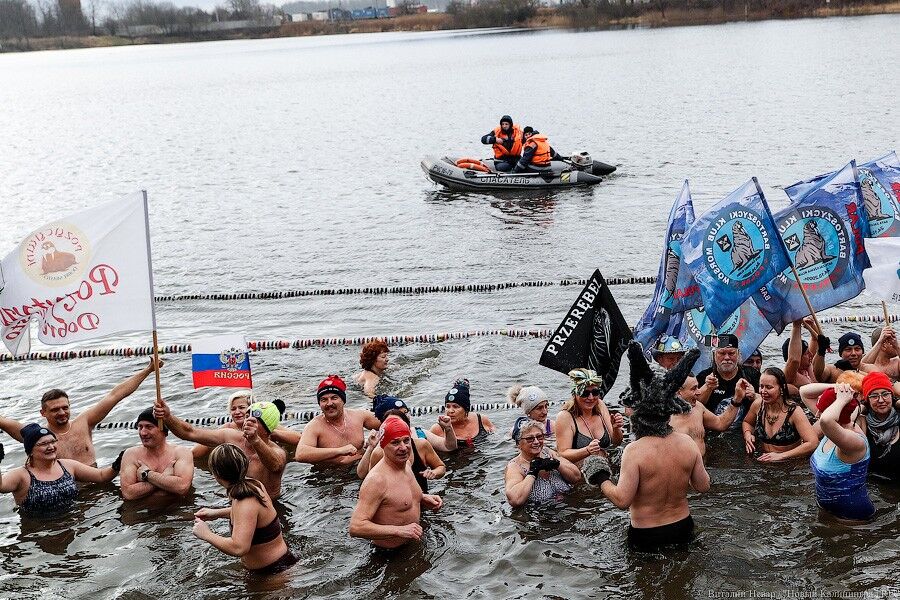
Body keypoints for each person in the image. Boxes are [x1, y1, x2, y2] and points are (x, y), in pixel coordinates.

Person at [593, 344, 710, 551]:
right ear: (669, 407)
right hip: (683, 527)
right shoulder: (687, 444)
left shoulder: (635, 451)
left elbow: (622, 500)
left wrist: (601, 476)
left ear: (638, 409)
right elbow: (703, 486)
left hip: (647, 534)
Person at [0, 359, 160, 465]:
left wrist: (148, 370)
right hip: (64, 493)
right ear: (43, 413)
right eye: (55, 410)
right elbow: (3, 421)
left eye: (65, 407)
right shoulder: (35, 435)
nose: (62, 412)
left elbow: (116, 395)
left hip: (94, 490)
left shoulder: (84, 422)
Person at [192, 443, 297, 575]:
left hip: (275, 571)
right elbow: (252, 516)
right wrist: (217, 513)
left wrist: (206, 534)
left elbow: (239, 548)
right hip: (275, 566)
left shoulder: (244, 500)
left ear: (216, 474)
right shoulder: (253, 485)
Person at [155, 399, 285, 499]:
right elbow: (190, 432)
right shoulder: (232, 436)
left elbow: (276, 465)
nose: (247, 423)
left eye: (255, 421)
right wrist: (168, 417)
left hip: (269, 509)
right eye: (247, 418)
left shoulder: (277, 452)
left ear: (268, 429)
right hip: (237, 503)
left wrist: (255, 440)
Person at [349, 416, 443, 549]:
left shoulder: (406, 465)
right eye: (395, 442)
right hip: (387, 556)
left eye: (406, 440)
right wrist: (399, 530)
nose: (403, 447)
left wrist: (422, 497)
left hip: (413, 543)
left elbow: (398, 496)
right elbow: (356, 527)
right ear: (383, 445)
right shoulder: (377, 480)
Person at [0, 423, 122, 517]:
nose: (51, 447)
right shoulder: (21, 475)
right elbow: (1, 486)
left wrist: (117, 464)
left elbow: (101, 476)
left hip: (71, 523)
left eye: (53, 442)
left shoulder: (68, 466)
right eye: (43, 444)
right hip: (37, 532)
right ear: (30, 451)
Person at [810, 384, 875, 522]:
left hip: (853, 518)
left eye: (820, 410)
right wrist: (838, 387)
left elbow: (826, 420)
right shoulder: (835, 431)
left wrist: (840, 399)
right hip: (827, 511)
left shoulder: (854, 442)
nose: (816, 414)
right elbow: (804, 392)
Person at [295, 375, 381, 467]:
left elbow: (389, 423)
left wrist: (376, 442)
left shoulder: (359, 416)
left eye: (334, 398)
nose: (329, 403)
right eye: (324, 400)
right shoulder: (315, 426)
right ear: (319, 403)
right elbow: (301, 454)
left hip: (358, 469)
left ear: (343, 400)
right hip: (330, 476)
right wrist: (339, 451)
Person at [357, 409, 446, 493]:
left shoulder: (422, 445)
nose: (403, 448)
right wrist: (370, 448)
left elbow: (441, 467)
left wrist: (434, 472)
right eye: (395, 443)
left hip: (421, 500)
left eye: (398, 423)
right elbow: (369, 484)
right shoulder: (379, 453)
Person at [741, 367, 818, 463]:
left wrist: (781, 456)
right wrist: (748, 434)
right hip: (764, 459)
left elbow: (813, 443)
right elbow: (747, 422)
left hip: (790, 463)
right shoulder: (758, 404)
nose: (763, 391)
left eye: (769, 387)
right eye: (761, 386)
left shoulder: (794, 412)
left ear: (781, 389)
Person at [192, 392, 298, 459]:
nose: (237, 412)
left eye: (241, 407)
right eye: (233, 409)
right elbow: (196, 452)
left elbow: (299, 439)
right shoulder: (226, 429)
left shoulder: (266, 426)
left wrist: (271, 433)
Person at [120, 407, 194, 501]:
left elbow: (182, 487)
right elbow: (128, 493)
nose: (143, 433)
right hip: (143, 511)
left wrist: (147, 475)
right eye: (140, 427)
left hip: (177, 508)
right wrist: (165, 478)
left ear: (163, 430)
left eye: (149, 427)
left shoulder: (181, 453)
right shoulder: (131, 454)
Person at [555, 369, 623, 468]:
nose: (591, 398)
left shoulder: (600, 405)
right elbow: (562, 454)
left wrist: (616, 428)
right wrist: (587, 450)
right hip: (581, 473)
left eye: (595, 392)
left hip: (605, 465)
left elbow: (616, 442)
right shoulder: (565, 417)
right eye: (585, 393)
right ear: (575, 394)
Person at [504, 420, 580, 508]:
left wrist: (558, 465)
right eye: (530, 439)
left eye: (539, 437)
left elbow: (576, 477)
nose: (536, 442)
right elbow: (515, 500)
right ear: (518, 444)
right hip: (538, 515)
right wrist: (532, 473)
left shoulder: (548, 452)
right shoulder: (515, 466)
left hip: (568, 506)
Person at [669, 372, 743, 457]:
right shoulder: (665, 419)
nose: (699, 392)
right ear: (679, 392)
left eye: (697, 387)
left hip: (702, 466)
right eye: (694, 389)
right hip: (680, 468)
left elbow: (721, 423)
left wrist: (737, 399)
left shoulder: (698, 407)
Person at [696, 334, 760, 429]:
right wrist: (707, 387)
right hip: (713, 431)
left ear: (738, 354)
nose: (726, 358)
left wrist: (754, 396)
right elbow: (694, 406)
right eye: (722, 353)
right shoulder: (704, 376)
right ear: (714, 355)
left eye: (731, 353)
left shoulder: (751, 375)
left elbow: (770, 401)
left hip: (742, 431)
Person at [371, 394, 456, 452]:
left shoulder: (419, 433)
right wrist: (370, 448)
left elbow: (449, 447)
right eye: (399, 414)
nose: (406, 416)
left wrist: (448, 428)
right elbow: (363, 474)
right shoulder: (378, 444)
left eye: (406, 412)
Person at [856, 371, 900, 481]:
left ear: (892, 396)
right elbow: (846, 420)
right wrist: (861, 407)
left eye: (885, 394)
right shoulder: (862, 422)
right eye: (874, 396)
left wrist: (898, 403)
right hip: (874, 487)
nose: (881, 400)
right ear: (867, 399)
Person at [429, 380, 495, 448]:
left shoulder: (481, 420)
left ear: (466, 410)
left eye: (455, 406)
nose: (450, 411)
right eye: (447, 406)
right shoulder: (437, 429)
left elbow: (496, 438)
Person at [783, 318, 819, 388]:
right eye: (806, 353)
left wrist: (811, 325)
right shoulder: (790, 375)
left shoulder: (808, 365)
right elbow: (794, 360)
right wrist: (796, 326)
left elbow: (815, 339)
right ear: (798, 355)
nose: (811, 354)